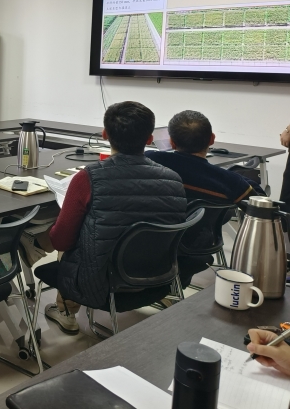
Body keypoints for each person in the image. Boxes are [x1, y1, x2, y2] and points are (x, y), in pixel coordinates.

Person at [20, 101, 186, 336]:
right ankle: (34, 248)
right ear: (150, 139)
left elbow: (61, 241)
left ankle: (65, 311)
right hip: (159, 278)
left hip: (98, 283)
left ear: (105, 134)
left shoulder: (87, 178)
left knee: (74, 233)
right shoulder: (173, 180)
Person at [147, 110, 264, 204]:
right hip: (207, 227)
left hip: (163, 226)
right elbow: (260, 203)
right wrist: (235, 177)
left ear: (172, 143)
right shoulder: (232, 183)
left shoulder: (152, 160)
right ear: (212, 139)